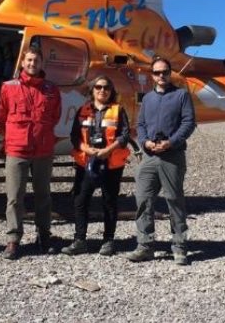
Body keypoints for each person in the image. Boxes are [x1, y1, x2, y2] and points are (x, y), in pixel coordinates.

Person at [127, 56, 196, 266]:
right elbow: (140, 124)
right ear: (152, 75)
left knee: (174, 200)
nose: (161, 76)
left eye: (164, 72)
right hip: (149, 155)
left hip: (171, 155)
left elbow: (189, 122)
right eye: (157, 73)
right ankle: (145, 246)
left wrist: (171, 142)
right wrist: (145, 141)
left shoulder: (181, 95)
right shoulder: (147, 98)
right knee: (143, 200)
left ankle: (179, 247)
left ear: (170, 72)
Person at [0, 46, 62, 260]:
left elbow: (55, 116)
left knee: (43, 195)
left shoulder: (52, 89)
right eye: (29, 60)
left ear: (42, 63)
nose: (33, 64)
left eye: (36, 60)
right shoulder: (8, 87)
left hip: (43, 150)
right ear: (23, 63)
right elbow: (1, 115)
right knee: (14, 197)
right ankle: (13, 239)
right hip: (17, 149)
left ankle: (43, 236)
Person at [61, 76, 131, 257]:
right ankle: (79, 240)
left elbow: (124, 136)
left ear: (111, 90)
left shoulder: (118, 110)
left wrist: (108, 150)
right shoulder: (83, 110)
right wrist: (85, 148)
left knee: (109, 201)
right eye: (98, 87)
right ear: (92, 90)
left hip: (111, 163)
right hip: (86, 162)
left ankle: (108, 241)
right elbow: (75, 136)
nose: (102, 90)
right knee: (80, 200)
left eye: (106, 87)